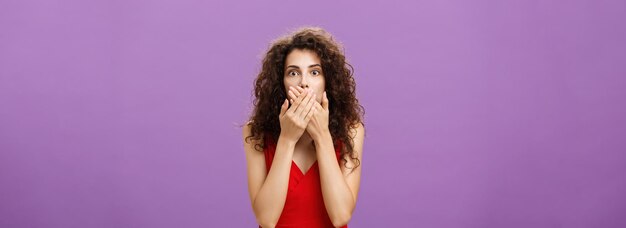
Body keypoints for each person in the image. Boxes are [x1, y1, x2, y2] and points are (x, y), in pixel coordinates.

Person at [242, 26, 365, 228]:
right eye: (293, 73)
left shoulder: (352, 130)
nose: (304, 83)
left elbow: (341, 216)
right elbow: (266, 219)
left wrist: (322, 136)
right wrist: (287, 140)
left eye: (315, 72)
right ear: (281, 82)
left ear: (327, 81)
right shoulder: (255, 132)